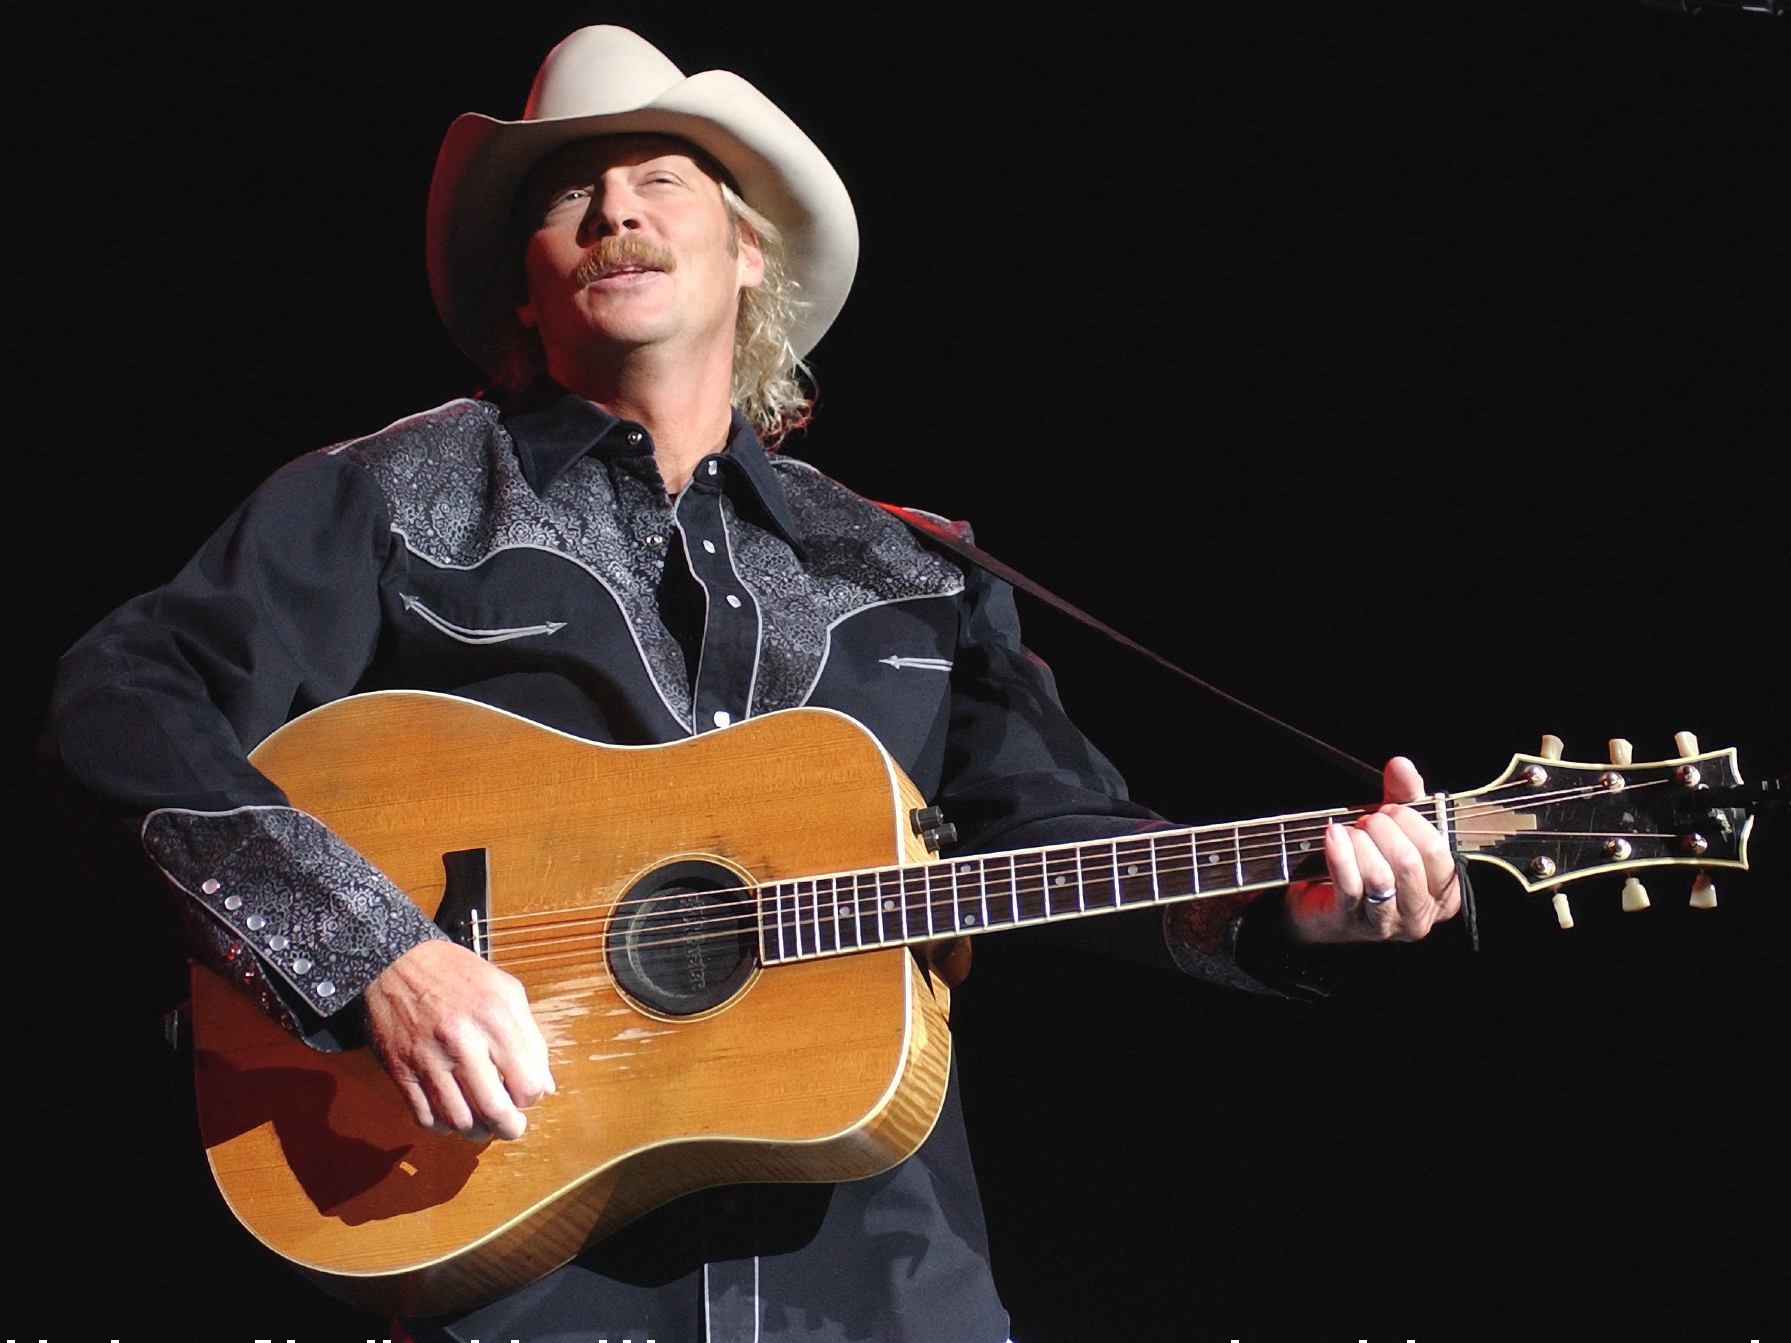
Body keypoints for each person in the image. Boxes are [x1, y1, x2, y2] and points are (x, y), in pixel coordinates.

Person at [40, 26, 1460, 1343]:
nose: (614, 210)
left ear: (745, 255)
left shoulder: (908, 569)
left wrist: (1283, 903)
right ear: (524, 284)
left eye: (662, 175)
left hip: (882, 1287)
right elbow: (121, 701)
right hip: (532, 1280)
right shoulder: (388, 498)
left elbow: (1056, 835)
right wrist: (375, 955)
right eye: (566, 196)